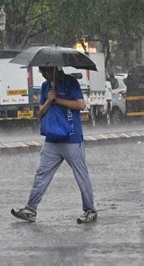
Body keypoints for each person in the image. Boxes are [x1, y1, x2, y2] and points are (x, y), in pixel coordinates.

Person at [11, 66, 97, 224]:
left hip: (71, 138)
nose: (42, 74)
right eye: (41, 71)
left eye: (45, 70)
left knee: (81, 175)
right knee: (41, 174)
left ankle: (90, 210)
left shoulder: (71, 83)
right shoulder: (45, 87)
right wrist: (49, 101)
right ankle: (31, 209)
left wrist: (58, 100)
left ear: (55, 69)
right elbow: (40, 113)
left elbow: (80, 105)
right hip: (52, 140)